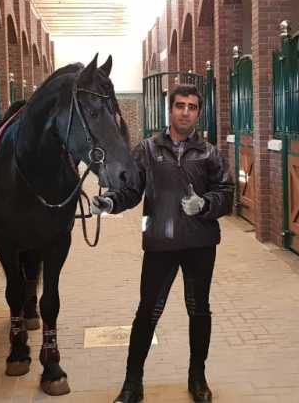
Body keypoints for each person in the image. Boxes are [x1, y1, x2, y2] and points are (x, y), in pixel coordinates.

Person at [91, 84, 234, 403]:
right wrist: (111, 203)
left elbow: (227, 195)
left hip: (200, 244)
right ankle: (132, 384)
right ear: (170, 110)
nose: (185, 111)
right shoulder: (146, 149)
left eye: (192, 107)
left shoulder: (210, 153)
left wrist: (206, 204)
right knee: (147, 313)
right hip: (160, 243)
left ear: (199, 112)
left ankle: (198, 379)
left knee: (199, 312)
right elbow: (130, 190)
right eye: (180, 105)